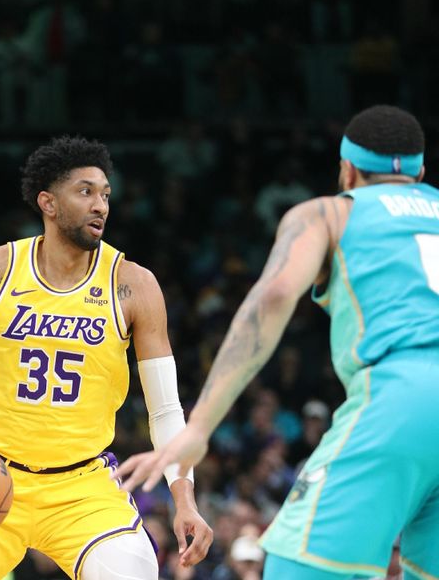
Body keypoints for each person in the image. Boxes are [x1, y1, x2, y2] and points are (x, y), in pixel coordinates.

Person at [115, 105, 439, 579]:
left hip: (402, 395)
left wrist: (200, 427)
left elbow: (274, 297)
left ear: (346, 170)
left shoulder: (327, 212)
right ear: (422, 175)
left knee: (293, 564)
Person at [0, 136, 212, 580]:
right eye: (85, 192)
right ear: (47, 202)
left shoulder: (135, 286)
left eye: (105, 194)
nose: (100, 205)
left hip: (81, 488)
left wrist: (185, 500)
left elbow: (165, 409)